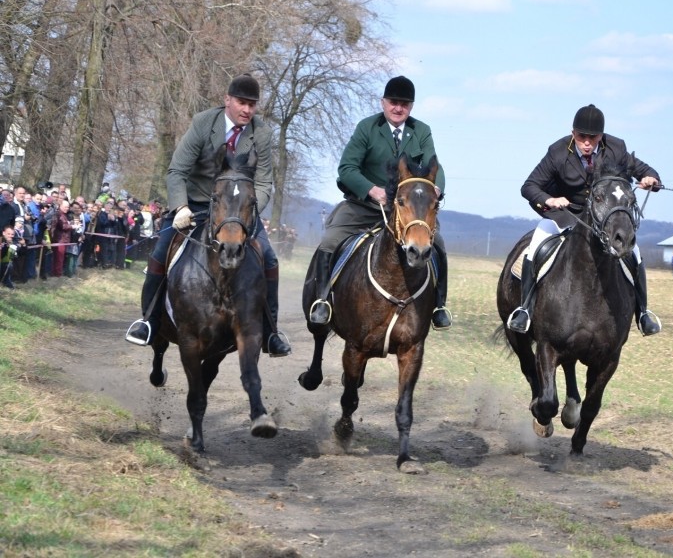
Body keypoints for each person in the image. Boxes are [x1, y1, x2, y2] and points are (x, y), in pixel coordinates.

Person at [126, 73, 291, 356]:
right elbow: (177, 171)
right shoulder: (204, 123)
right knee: (160, 253)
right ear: (227, 100)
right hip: (196, 205)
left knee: (270, 259)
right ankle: (149, 321)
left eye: (252, 105)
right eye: (242, 103)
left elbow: (264, 182)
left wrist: (248, 211)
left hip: (238, 212)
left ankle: (270, 332)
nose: (247, 110)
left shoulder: (261, 133)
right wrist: (180, 206)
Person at [306, 75, 452, 330]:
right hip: (365, 206)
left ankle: (439, 306)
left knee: (436, 243)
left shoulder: (421, 131)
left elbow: (434, 166)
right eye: (394, 102)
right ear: (383, 102)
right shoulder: (367, 127)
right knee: (330, 239)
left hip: (406, 211)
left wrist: (435, 187)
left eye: (405, 104)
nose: (398, 108)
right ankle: (322, 300)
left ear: (411, 107)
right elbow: (347, 168)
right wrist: (372, 190)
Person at [506, 104, 662, 336]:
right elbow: (529, 186)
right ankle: (525, 308)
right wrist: (549, 199)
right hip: (566, 214)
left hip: (603, 219)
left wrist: (651, 179)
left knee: (634, 253)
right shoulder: (558, 152)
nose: (587, 142)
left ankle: (642, 313)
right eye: (582, 137)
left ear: (601, 136)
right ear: (573, 133)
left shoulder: (616, 148)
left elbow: (643, 169)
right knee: (536, 244)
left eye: (593, 137)